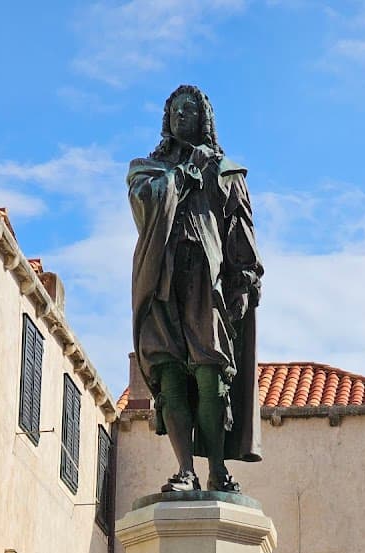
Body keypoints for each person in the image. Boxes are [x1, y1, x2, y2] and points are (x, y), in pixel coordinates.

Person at [128, 84, 264, 495]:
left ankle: (217, 469)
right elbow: (146, 200)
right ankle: (185, 469)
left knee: (210, 374)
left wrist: (243, 282)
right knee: (169, 373)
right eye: (175, 110)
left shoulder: (225, 172)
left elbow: (240, 231)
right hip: (160, 280)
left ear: (204, 120)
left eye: (190, 110)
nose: (181, 116)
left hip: (206, 282)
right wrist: (185, 174)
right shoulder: (145, 170)